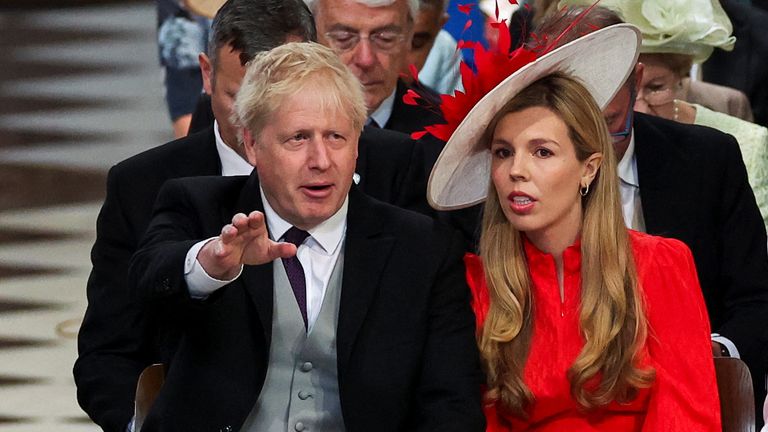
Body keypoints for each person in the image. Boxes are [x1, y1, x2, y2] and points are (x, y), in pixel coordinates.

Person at [73, 1, 426, 430]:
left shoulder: (396, 165)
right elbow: (107, 356)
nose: (252, 119)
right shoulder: (143, 186)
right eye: (241, 97)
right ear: (207, 74)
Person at [127, 41, 484, 432]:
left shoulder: (423, 249)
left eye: (336, 137)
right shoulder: (198, 208)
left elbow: (450, 407)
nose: (321, 161)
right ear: (251, 144)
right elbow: (147, 277)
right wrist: (211, 266)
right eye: (298, 138)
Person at [426, 23, 720, 429]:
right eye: (503, 152)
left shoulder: (661, 263)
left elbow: (687, 417)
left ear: (589, 168)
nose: (517, 171)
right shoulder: (476, 284)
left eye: (542, 151)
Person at [543, 4, 768, 426]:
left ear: (636, 84)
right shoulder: (510, 179)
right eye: (573, 127)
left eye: (608, 123)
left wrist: (712, 353)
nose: (593, 150)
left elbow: (756, 299)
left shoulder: (708, 161)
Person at [307, 0, 445, 136]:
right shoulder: (286, 120)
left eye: (385, 38)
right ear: (310, 37)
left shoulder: (449, 134)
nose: (366, 60)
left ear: (409, 36)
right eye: (344, 38)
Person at [404, 0, 463, 95]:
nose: (397, 60)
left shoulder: (445, 49)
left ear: (438, 27)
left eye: (416, 42)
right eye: (385, 38)